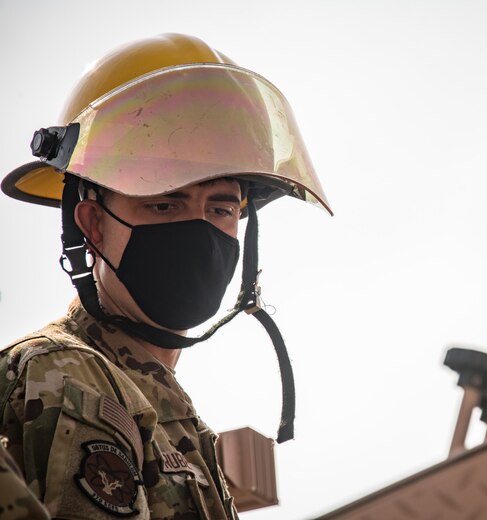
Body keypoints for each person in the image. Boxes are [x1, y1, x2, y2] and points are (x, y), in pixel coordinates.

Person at [0, 33, 331, 519]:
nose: (198, 229)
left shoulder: (161, 402)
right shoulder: (69, 373)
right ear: (92, 226)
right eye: (163, 202)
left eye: (220, 208)